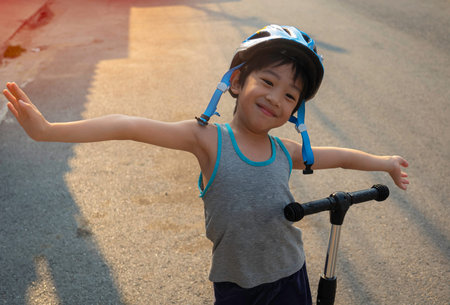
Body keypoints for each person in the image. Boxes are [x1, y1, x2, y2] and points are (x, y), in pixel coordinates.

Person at [3, 25, 409, 305]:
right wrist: (49, 130)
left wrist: (385, 162)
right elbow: (127, 126)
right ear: (236, 83)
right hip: (237, 285)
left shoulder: (285, 151)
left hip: (290, 275)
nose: (276, 98)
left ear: (295, 111)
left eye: (290, 96)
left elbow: (338, 156)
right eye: (267, 82)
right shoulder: (208, 139)